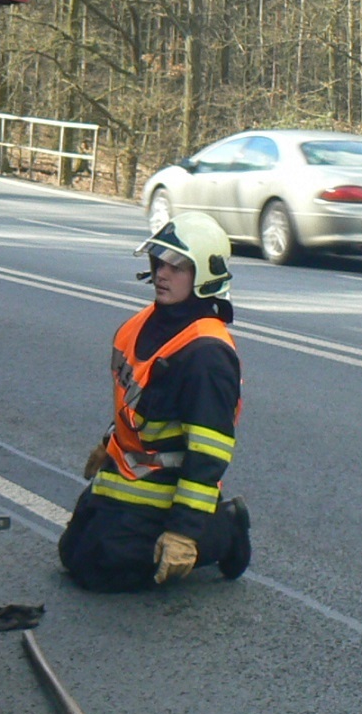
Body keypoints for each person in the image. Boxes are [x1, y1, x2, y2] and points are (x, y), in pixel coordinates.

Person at [59, 212, 252, 591]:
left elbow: (208, 455)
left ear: (203, 275)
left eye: (177, 266)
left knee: (104, 570)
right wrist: (106, 443)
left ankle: (225, 529)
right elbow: (141, 403)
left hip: (169, 486)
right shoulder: (141, 324)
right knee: (74, 555)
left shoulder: (207, 355)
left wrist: (182, 533)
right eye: (159, 262)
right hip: (128, 474)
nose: (163, 273)